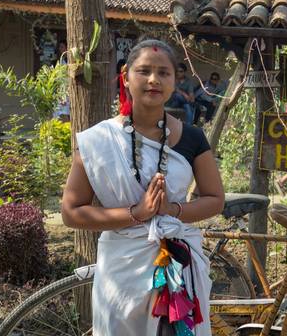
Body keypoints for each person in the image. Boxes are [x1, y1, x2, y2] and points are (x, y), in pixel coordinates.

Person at [61, 39, 224, 334]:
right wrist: (138, 212)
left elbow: (214, 199)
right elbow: (71, 212)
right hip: (121, 271)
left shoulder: (193, 138)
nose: (153, 80)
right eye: (144, 71)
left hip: (178, 266)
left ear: (176, 81)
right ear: (125, 76)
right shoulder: (99, 141)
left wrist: (172, 210)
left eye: (164, 73)